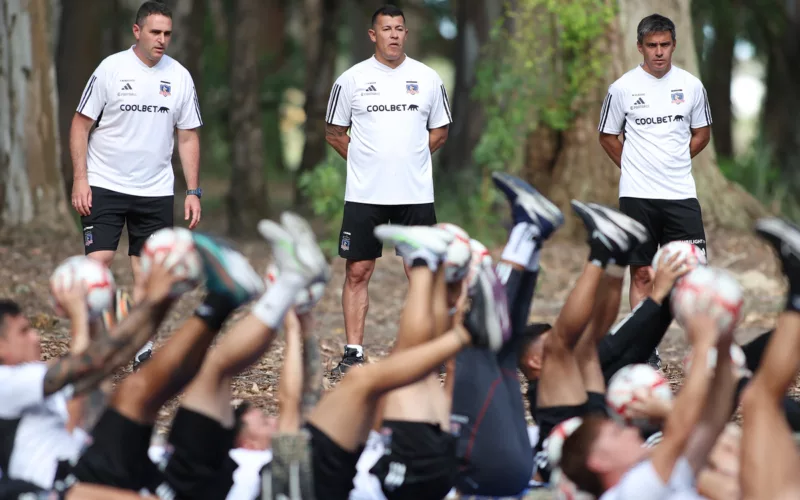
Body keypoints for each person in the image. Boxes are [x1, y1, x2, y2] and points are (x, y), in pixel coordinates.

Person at [70, 1, 204, 369]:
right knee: (97, 264)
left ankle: (142, 349)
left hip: (155, 189)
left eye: (167, 34)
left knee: (148, 274)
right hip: (105, 183)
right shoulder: (111, 69)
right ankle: (90, 345)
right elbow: (81, 125)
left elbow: (188, 136)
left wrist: (192, 191)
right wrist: (81, 179)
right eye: (155, 32)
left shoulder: (179, 77)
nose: (162, 40)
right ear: (137, 31)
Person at [325, 4, 453, 375]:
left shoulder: (428, 78)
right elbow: (334, 132)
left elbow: (440, 132)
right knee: (358, 271)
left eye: (400, 28)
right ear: (373, 35)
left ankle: (427, 352)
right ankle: (353, 354)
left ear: (406, 34)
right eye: (387, 28)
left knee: (422, 272)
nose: (394, 34)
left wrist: (409, 159)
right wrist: (367, 162)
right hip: (366, 196)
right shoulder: (350, 80)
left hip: (415, 195)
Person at [597, 13, 713, 369]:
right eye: (652, 46)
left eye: (665, 45)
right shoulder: (622, 88)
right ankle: (644, 351)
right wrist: (635, 166)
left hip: (681, 194)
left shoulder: (692, 86)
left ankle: (704, 350)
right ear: (640, 47)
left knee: (693, 274)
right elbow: (608, 136)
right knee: (643, 273)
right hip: (638, 195)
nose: (659, 52)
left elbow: (702, 133)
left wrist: (674, 160)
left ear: (674, 45)